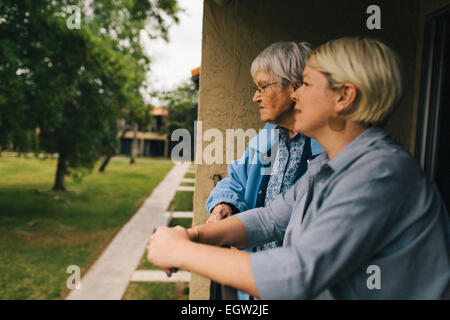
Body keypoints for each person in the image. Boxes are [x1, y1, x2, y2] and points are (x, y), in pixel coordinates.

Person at [147, 37, 450, 299]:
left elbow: (299, 274)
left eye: (304, 84)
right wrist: (193, 235)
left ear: (344, 96)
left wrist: (181, 252)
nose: (295, 94)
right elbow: (270, 220)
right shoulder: (328, 166)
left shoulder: (381, 174)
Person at [206, 41, 323, 300]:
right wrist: (224, 204)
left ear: (295, 86)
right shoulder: (268, 137)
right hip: (254, 285)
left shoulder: (327, 151)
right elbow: (235, 179)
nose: (255, 97)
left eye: (262, 87)